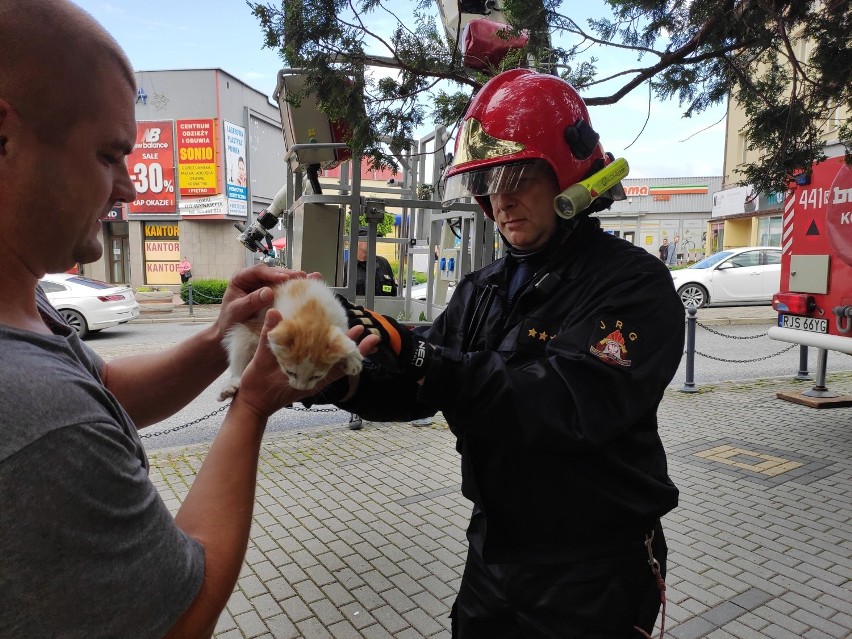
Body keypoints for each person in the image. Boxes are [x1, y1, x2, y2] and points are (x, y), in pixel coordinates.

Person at [0, 2, 377, 637]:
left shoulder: (24, 313)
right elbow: (184, 613)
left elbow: (106, 393)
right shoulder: (36, 417)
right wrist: (252, 405)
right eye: (109, 154)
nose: (129, 187)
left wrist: (219, 335)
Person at [318, 69, 684, 637]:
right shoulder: (485, 287)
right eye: (486, 180)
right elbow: (418, 382)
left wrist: (424, 359)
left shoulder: (633, 284)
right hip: (495, 550)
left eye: (516, 175)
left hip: (592, 565)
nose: (500, 198)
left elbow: (564, 400)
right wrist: (332, 371)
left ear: (567, 172)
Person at [346, 227, 398, 296]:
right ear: (356, 242)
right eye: (368, 238)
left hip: (383, 306)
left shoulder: (383, 263)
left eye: (374, 238)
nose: (372, 241)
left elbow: (393, 292)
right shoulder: (347, 267)